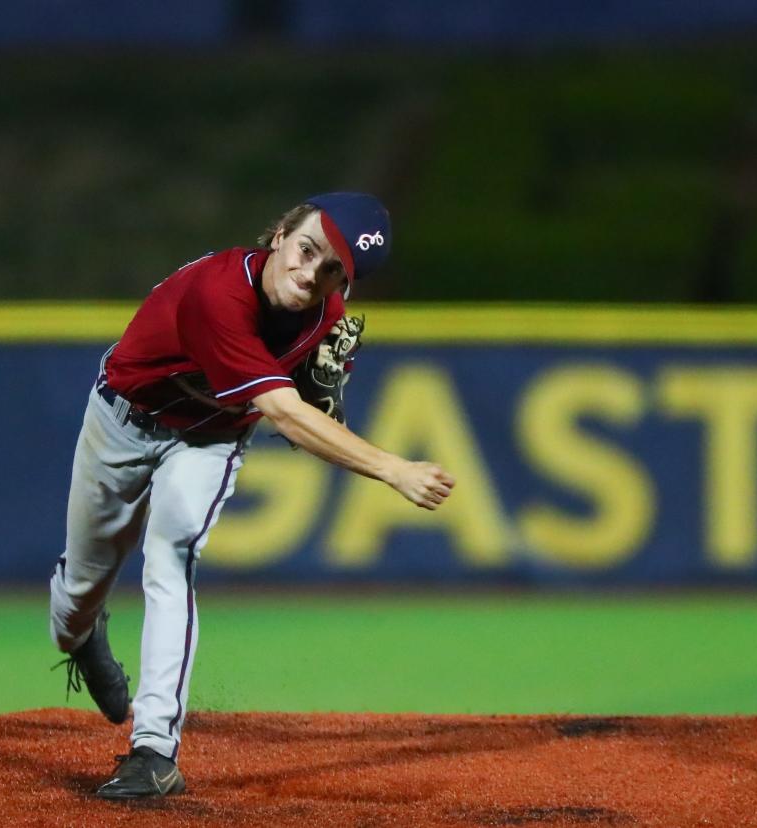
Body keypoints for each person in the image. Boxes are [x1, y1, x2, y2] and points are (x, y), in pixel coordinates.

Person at [48, 192, 455, 800]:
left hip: (209, 439)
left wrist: (326, 388)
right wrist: (393, 469)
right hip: (122, 420)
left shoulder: (326, 313)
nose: (310, 273)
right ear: (281, 232)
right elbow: (286, 416)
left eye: (332, 271)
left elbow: (304, 397)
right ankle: (82, 638)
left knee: (173, 553)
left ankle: (154, 750)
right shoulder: (220, 293)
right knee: (77, 597)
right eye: (306, 249)